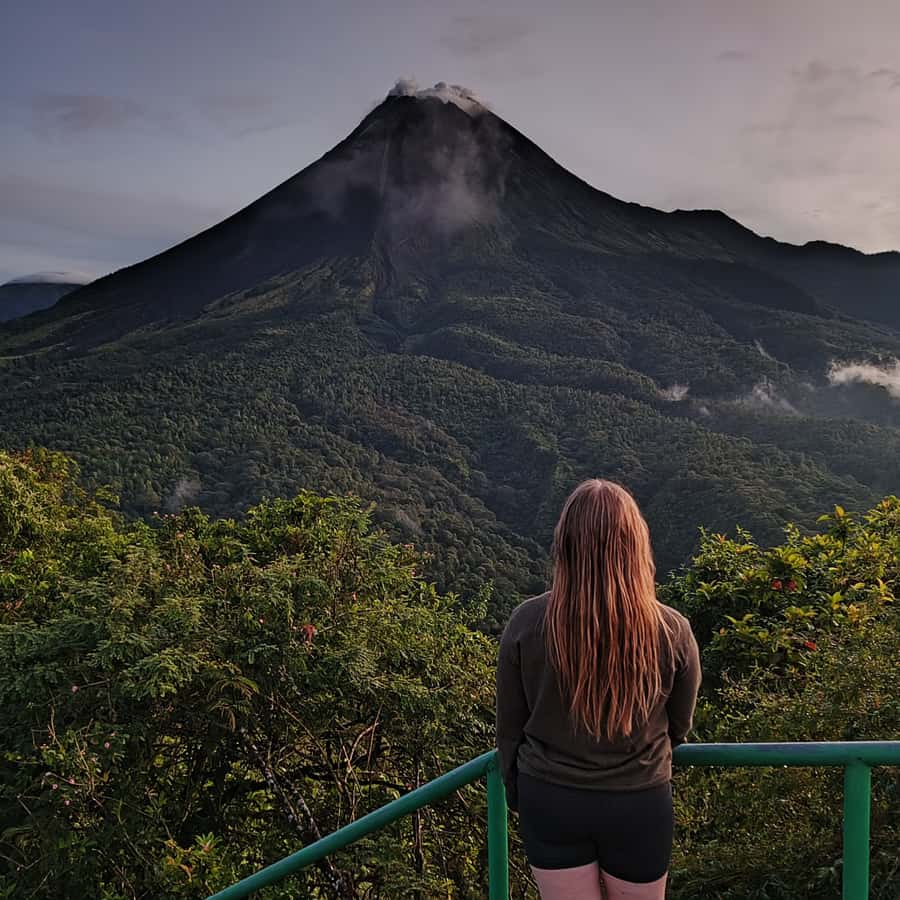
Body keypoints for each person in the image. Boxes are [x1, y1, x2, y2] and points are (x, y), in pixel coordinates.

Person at [496, 479, 701, 900]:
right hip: (639, 801)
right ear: (636, 544)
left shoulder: (526, 623)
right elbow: (680, 725)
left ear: (564, 545)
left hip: (550, 798)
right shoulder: (671, 630)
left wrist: (521, 793)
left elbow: (509, 730)